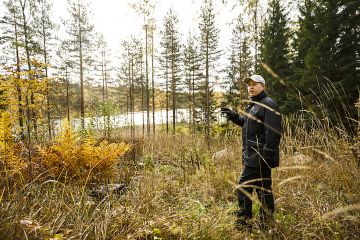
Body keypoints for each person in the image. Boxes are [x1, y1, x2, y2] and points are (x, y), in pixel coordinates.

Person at [221, 74, 282, 230]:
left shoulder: (268, 104)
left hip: (259, 156)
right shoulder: (254, 105)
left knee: (243, 186)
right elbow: (247, 124)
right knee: (263, 189)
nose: (251, 87)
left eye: (255, 84)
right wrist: (234, 116)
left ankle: (244, 220)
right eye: (249, 85)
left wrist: (265, 157)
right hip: (253, 155)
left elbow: (273, 133)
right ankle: (266, 221)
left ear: (263, 86)